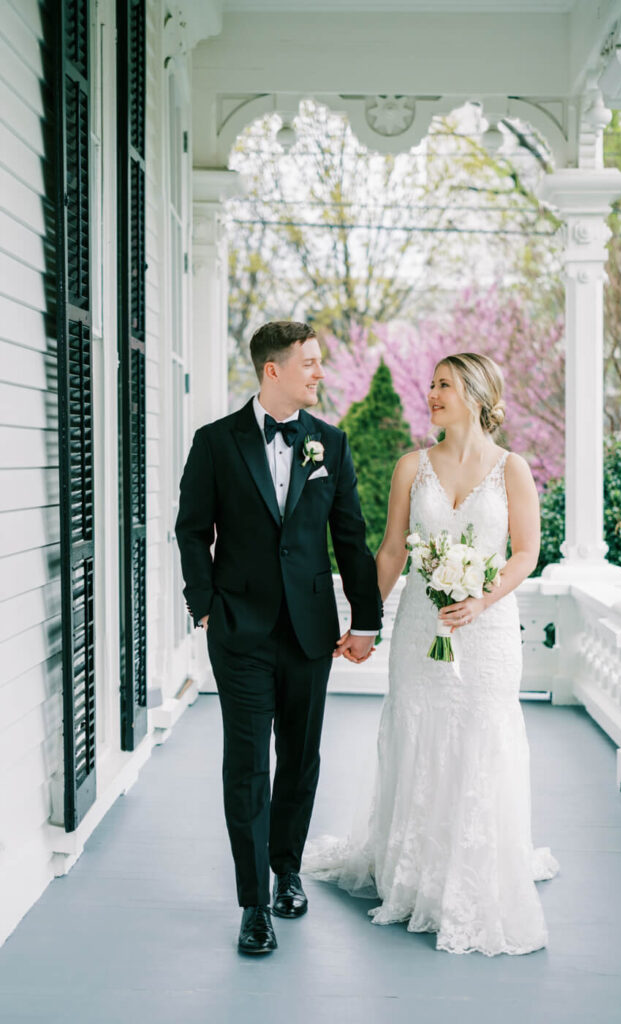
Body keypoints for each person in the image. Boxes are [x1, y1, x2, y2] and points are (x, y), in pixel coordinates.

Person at [303, 352, 559, 956]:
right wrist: (365, 622)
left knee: (480, 736)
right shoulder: (410, 467)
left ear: (475, 393)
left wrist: (483, 598)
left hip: (488, 632)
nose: (432, 393)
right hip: (422, 628)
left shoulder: (512, 469)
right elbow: (391, 552)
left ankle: (474, 871)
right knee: (418, 732)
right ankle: (413, 870)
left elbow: (526, 552)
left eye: (444, 384)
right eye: (432, 384)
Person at [175, 321, 382, 955]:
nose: (321, 373)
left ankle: (287, 869)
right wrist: (204, 605)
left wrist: (366, 619)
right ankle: (252, 904)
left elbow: (350, 538)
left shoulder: (332, 445)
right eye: (311, 363)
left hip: (310, 632)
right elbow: (191, 530)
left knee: (299, 758)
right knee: (247, 765)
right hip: (238, 632)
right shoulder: (215, 443)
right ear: (275, 371)